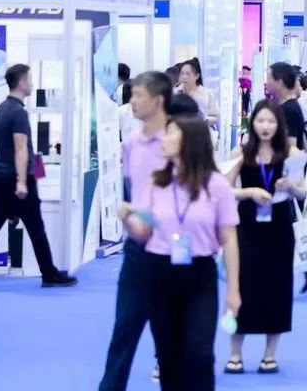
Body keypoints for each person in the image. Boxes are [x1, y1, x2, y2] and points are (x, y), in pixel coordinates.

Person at [119, 116, 240, 391]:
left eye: (171, 134)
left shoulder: (216, 185)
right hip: (160, 272)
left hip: (200, 275)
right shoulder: (157, 183)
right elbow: (144, 232)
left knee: (200, 353)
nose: (163, 139)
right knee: (168, 356)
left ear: (189, 141)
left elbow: (229, 238)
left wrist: (233, 290)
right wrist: (127, 218)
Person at [0, 64, 76, 290]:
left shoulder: (2, 108)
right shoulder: (19, 113)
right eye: (30, 80)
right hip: (16, 179)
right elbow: (20, 148)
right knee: (36, 228)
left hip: (1, 176)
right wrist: (22, 181)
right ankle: (49, 273)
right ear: (21, 83)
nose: (32, 84)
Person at [99, 71, 182, 391]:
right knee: (124, 329)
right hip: (137, 248)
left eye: (138, 95)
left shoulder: (178, 143)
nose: (131, 101)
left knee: (171, 336)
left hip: (172, 248)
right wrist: (131, 219)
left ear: (158, 101)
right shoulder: (133, 143)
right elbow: (137, 195)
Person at [223, 101, 305, 375]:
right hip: (247, 228)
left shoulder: (291, 153)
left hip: (279, 230)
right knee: (241, 287)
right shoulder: (240, 153)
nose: (266, 126)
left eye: (271, 121)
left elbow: (303, 193)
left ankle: (270, 355)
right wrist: (248, 192)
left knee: (277, 290)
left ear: (279, 124)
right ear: (252, 123)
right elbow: (221, 189)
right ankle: (235, 354)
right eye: (261, 121)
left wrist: (290, 186)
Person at [267, 62, 307, 152]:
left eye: (269, 78)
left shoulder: (289, 110)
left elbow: (290, 147)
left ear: (280, 82)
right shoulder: (286, 106)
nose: (267, 82)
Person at [177, 58, 219, 127]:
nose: (184, 77)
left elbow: (214, 117)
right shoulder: (175, 92)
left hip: (201, 130)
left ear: (197, 76)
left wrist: (205, 119)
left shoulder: (207, 93)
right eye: (182, 73)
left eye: (187, 74)